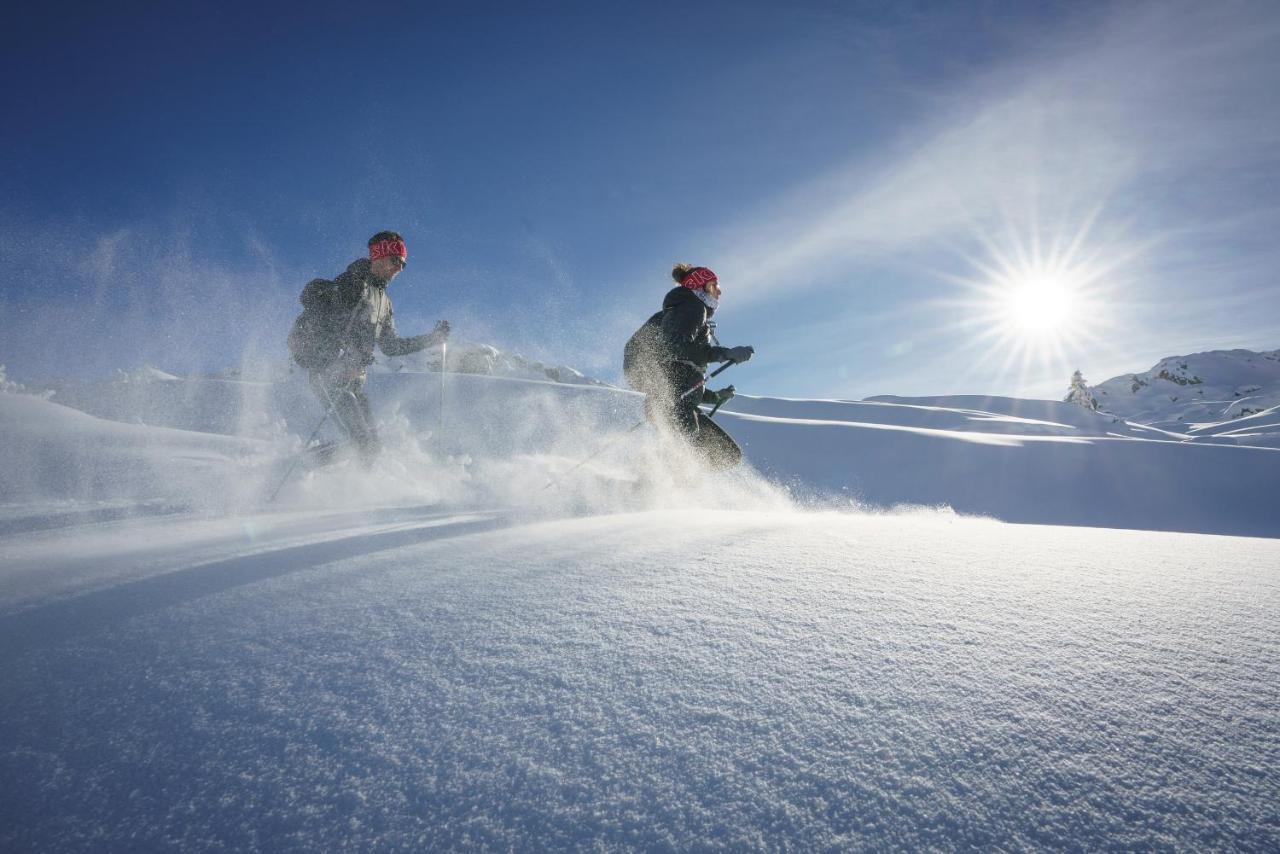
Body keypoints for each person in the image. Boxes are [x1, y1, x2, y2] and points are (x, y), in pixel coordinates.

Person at [287, 231, 449, 464]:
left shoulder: (385, 302)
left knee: (372, 446)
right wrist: (338, 359)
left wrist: (432, 339)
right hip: (329, 374)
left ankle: (351, 487)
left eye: (403, 264)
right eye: (395, 260)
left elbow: (391, 346)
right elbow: (326, 325)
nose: (399, 268)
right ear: (379, 256)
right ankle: (300, 468)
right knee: (361, 442)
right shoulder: (351, 284)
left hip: (353, 381)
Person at [623, 263, 754, 472]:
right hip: (674, 404)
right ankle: (653, 489)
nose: (719, 293)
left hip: (673, 401)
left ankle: (650, 482)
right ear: (699, 288)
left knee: (725, 453)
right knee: (694, 455)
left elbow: (684, 379)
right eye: (714, 287)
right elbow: (674, 347)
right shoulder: (691, 307)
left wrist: (714, 397)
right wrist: (724, 353)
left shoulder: (683, 310)